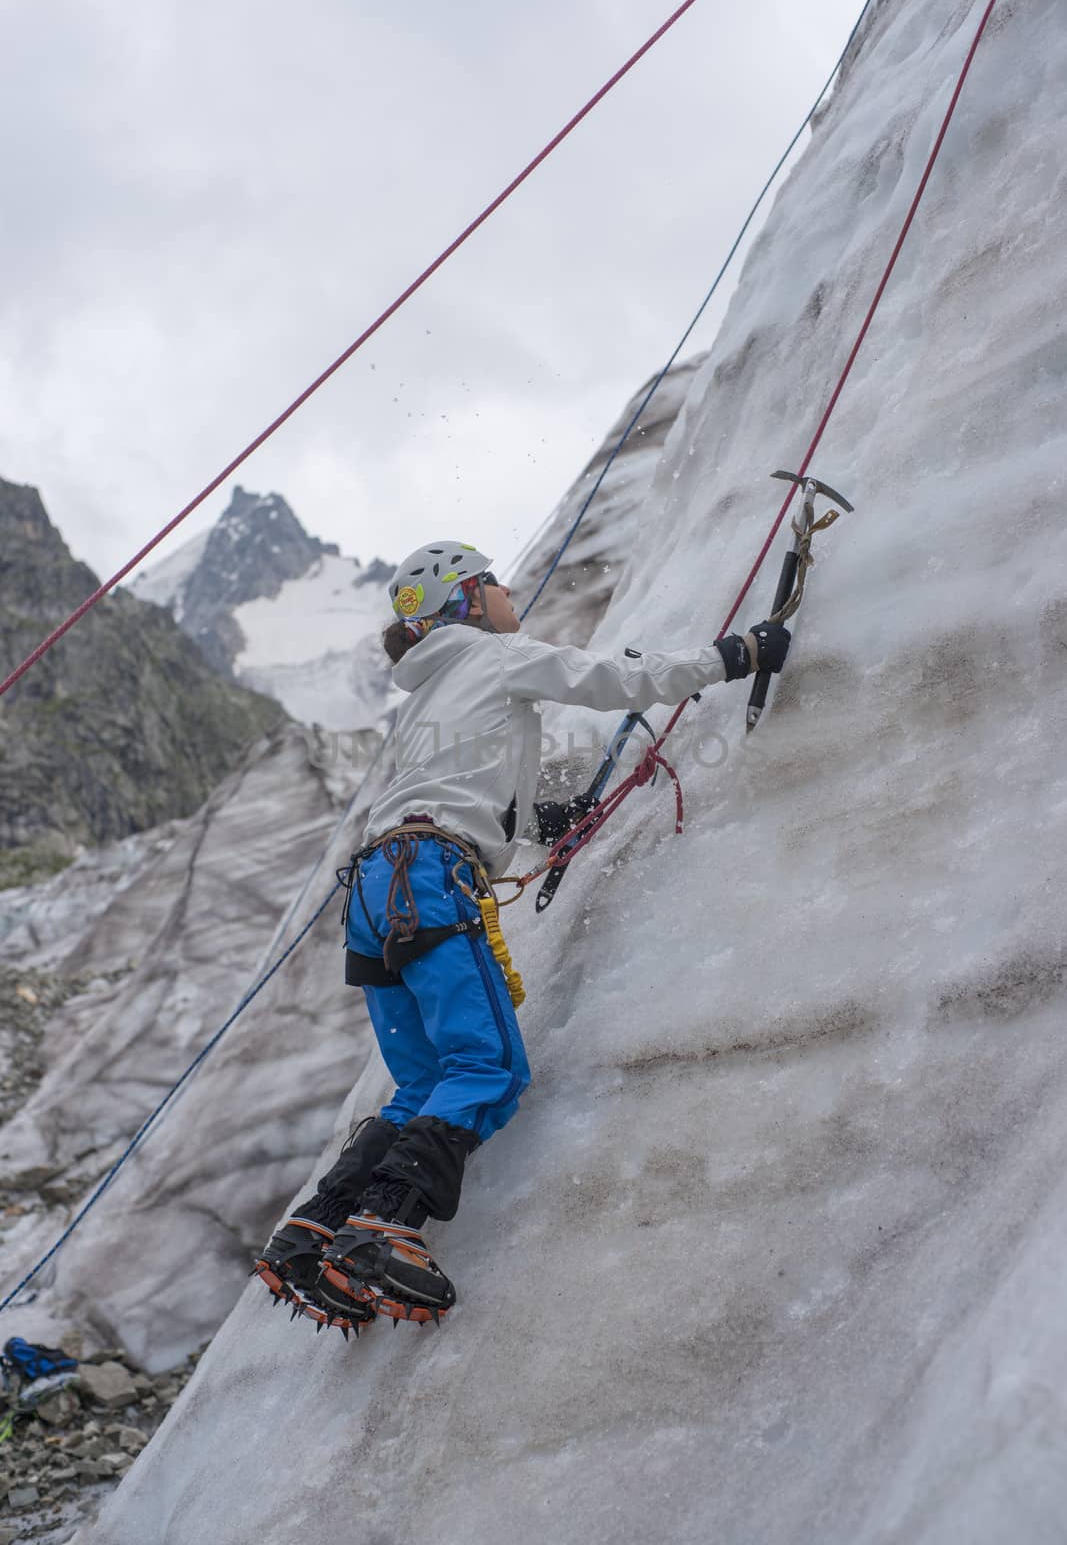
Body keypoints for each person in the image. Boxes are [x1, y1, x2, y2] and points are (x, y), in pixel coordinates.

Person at [257, 539, 789, 1329]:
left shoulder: (423, 696)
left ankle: (309, 1237)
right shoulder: (494, 654)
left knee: (419, 1082)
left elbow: (449, 787)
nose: (509, 594)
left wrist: (541, 822)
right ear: (465, 599)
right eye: (492, 583)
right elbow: (610, 680)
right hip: (433, 878)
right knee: (489, 1066)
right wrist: (732, 655)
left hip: (375, 890)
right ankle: (384, 1227)